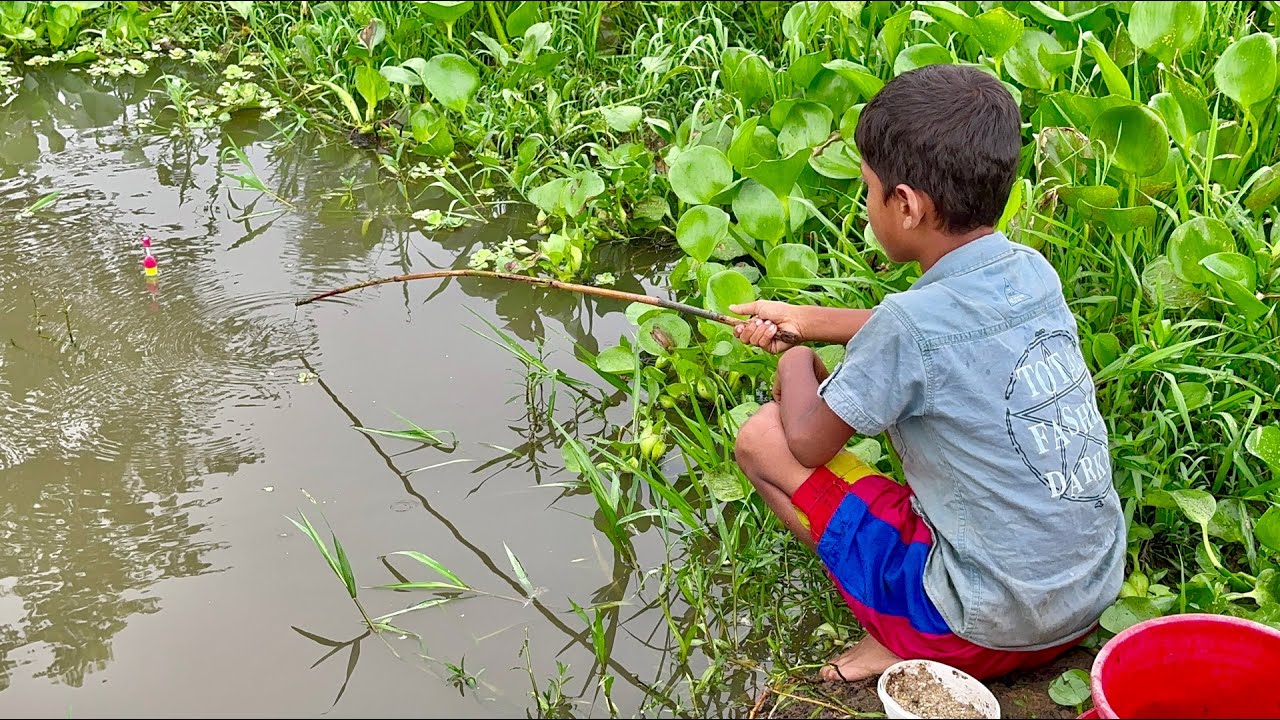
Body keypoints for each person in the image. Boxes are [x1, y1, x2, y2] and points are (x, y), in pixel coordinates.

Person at [729, 64, 1125, 683]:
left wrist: (794, 358)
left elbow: (806, 439)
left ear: (907, 205)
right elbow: (933, 329)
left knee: (761, 439)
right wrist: (805, 319)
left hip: (984, 629)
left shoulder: (908, 330)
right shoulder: (1031, 271)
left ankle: (897, 632)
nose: (867, 206)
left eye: (868, 190)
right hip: (1088, 597)